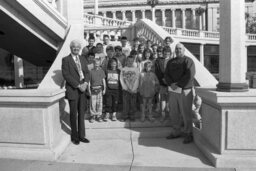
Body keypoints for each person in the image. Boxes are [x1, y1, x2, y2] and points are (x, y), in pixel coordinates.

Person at [165, 43, 196, 144]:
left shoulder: (189, 61)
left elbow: (190, 75)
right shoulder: (171, 62)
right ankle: (176, 131)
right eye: (176, 49)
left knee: (186, 112)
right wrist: (171, 84)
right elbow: (166, 74)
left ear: (184, 50)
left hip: (185, 90)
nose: (178, 50)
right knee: (173, 112)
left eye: (180, 49)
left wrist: (178, 84)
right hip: (173, 89)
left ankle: (188, 133)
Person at [62, 40, 90, 145]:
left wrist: (86, 84)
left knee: (81, 114)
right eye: (74, 47)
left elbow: (87, 72)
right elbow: (66, 75)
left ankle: (82, 136)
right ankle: (74, 136)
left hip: (83, 89)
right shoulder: (65, 60)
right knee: (73, 114)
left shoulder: (83, 59)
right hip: (73, 90)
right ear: (71, 48)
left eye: (78, 47)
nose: (76, 49)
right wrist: (78, 86)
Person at [120, 56, 140, 121]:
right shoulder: (123, 69)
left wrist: (134, 88)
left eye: (131, 61)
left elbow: (137, 79)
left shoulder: (136, 69)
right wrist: (126, 88)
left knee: (133, 104)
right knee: (125, 104)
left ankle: (132, 116)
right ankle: (125, 116)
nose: (130, 62)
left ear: (133, 62)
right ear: (126, 61)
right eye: (129, 61)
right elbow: (121, 80)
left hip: (134, 90)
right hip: (125, 90)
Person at [154, 46, 171, 122]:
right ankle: (163, 115)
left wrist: (169, 80)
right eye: (165, 52)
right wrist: (162, 80)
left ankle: (170, 115)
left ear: (170, 53)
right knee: (163, 99)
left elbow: (174, 72)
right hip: (162, 82)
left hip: (171, 84)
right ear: (163, 52)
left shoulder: (172, 60)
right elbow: (157, 71)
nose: (166, 53)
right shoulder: (158, 60)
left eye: (168, 52)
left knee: (170, 100)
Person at [88, 58, 106, 123]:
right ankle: (92, 115)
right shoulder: (91, 71)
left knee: (99, 103)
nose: (96, 65)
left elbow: (103, 80)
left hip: (100, 89)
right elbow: (89, 82)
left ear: (100, 64)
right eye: (95, 64)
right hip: (93, 89)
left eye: (98, 64)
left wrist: (104, 89)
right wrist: (89, 90)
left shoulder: (101, 71)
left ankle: (99, 115)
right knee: (93, 103)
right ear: (93, 64)